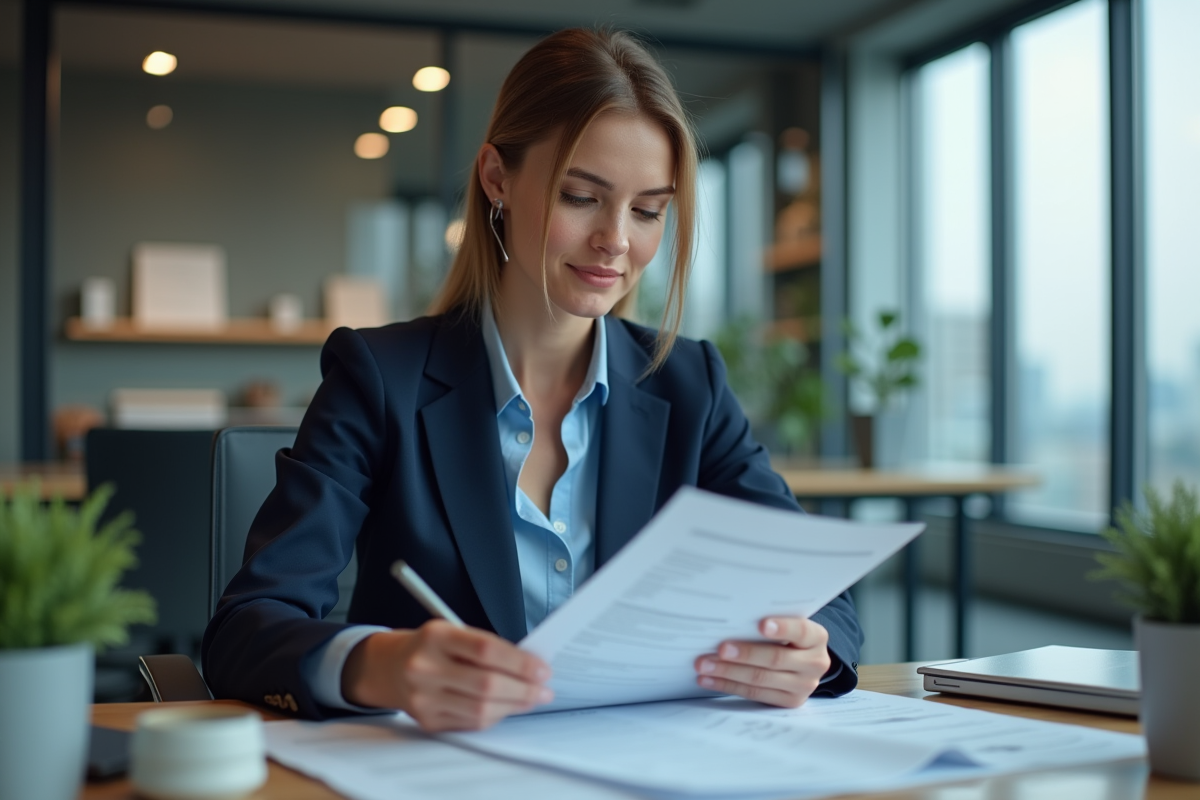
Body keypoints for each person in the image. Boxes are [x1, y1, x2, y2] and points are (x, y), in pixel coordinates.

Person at [201, 27, 861, 732]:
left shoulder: (688, 383)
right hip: (441, 765)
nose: (616, 239)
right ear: (497, 179)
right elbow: (247, 627)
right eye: (581, 197)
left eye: (648, 211)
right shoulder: (379, 378)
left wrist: (810, 651)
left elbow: (828, 600)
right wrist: (381, 665)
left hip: (642, 759)